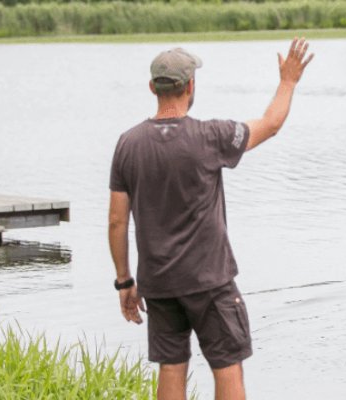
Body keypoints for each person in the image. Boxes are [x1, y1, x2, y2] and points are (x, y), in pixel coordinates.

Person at [108, 39, 314, 400]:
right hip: (210, 281)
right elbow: (270, 124)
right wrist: (288, 82)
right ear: (190, 86)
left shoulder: (128, 144)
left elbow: (116, 222)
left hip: (158, 282)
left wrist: (124, 282)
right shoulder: (210, 137)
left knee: (171, 366)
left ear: (153, 88)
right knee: (227, 363)